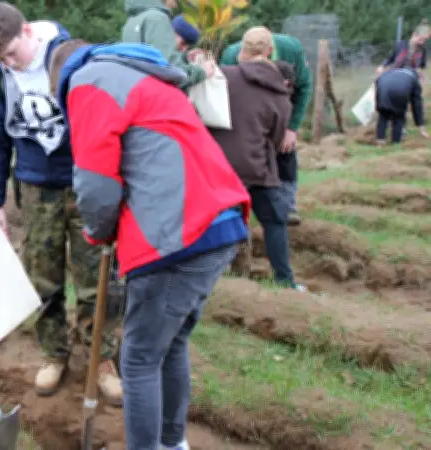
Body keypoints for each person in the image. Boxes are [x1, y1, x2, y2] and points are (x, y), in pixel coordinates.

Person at [48, 39, 251, 450]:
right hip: (218, 222)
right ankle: (172, 443)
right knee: (169, 344)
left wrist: (99, 231)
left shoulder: (87, 81)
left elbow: (96, 183)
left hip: (178, 234)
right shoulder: (141, 75)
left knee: (138, 358)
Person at [0, 1, 123, 406]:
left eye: (11, 53)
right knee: (42, 277)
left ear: (26, 32)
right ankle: (54, 354)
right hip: (35, 189)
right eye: (0, 59)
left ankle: (102, 358)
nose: (10, 64)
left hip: (83, 182)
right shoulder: (4, 73)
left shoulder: (71, 57)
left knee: (96, 276)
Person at [209, 36, 302, 290]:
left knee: (220, 219)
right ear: (270, 52)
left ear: (242, 52)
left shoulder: (222, 76)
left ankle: (216, 276)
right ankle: (285, 281)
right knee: (274, 221)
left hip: (220, 165)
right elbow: (275, 139)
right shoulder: (281, 96)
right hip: (258, 166)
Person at [221, 26, 312, 226]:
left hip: (280, 110)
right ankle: (234, 207)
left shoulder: (292, 50)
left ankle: (288, 206)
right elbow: (221, 92)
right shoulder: (230, 55)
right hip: (246, 115)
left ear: (269, 52)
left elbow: (304, 87)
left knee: (286, 153)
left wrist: (291, 128)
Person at [121, 0, 215, 90]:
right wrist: (202, 72)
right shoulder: (157, 18)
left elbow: (148, 61)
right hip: (154, 99)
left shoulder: (133, 20)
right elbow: (169, 71)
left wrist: (183, 57)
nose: (175, 5)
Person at [374, 67, 427, 144]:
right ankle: (396, 142)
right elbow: (417, 105)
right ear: (419, 77)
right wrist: (421, 127)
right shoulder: (414, 80)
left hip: (382, 87)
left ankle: (380, 140)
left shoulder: (392, 71)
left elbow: (378, 80)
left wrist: (378, 104)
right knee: (399, 116)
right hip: (399, 92)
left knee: (383, 115)